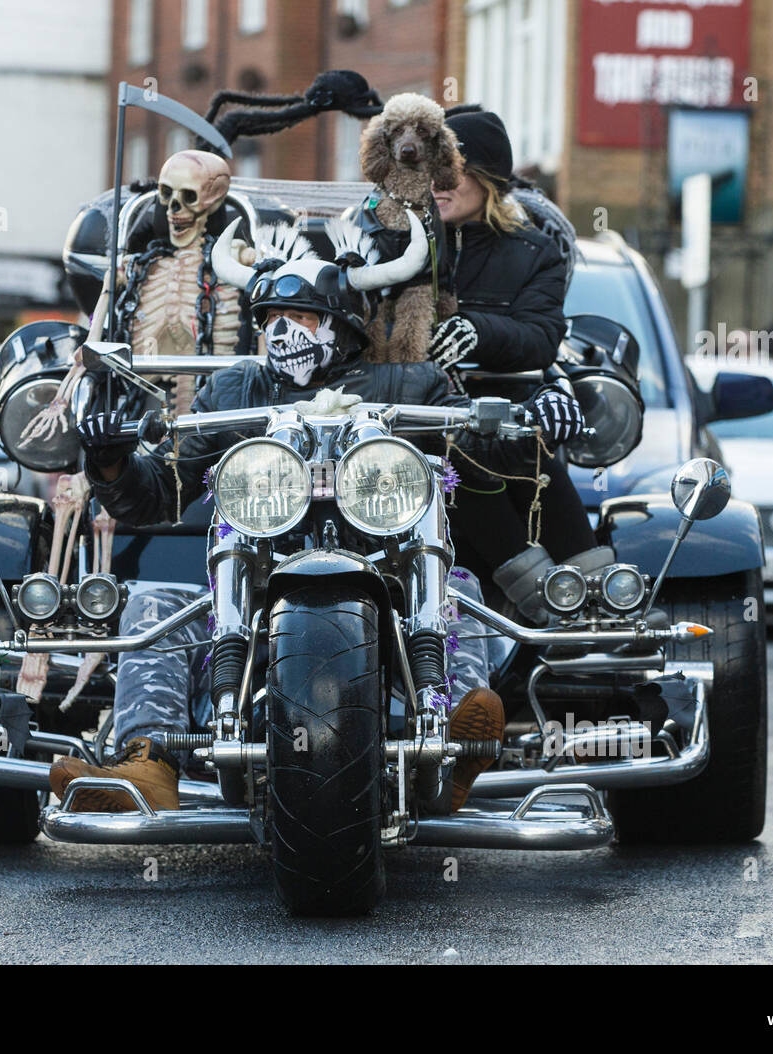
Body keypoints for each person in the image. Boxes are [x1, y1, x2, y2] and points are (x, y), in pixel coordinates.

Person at [48, 253, 585, 813]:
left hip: (390, 576)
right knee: (151, 604)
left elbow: (478, 446)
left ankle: (453, 749)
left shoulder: (412, 382)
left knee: (461, 594)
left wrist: (534, 421)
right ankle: (147, 763)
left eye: (300, 317)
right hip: (252, 579)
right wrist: (111, 461)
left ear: (345, 323)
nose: (281, 330)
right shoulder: (233, 390)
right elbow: (162, 489)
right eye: (271, 317)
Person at [428, 111, 609, 623]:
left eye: (453, 170)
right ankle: (554, 602)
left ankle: (590, 607)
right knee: (457, 456)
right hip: (410, 421)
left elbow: (541, 338)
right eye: (431, 168)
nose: (438, 183)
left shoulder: (533, 251)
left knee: (515, 451)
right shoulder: (396, 240)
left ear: (487, 179)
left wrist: (477, 331)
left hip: (496, 419)